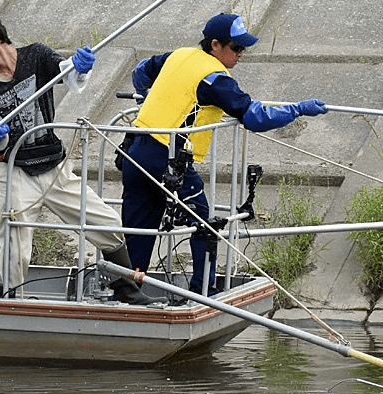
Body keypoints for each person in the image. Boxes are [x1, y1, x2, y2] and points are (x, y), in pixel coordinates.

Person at [0, 9, 162, 305]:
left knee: (108, 224)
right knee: (15, 250)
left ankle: (127, 288)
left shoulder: (36, 56)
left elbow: (68, 74)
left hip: (55, 168)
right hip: (17, 172)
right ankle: (4, 299)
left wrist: (81, 67)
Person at [122, 13, 328, 295]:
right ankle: (203, 293)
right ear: (215, 45)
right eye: (236, 48)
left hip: (135, 151)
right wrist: (298, 109)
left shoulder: (179, 55)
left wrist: (145, 94)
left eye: (244, 48)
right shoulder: (214, 79)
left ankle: (128, 292)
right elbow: (255, 117)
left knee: (139, 228)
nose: (241, 55)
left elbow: (140, 72)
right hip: (166, 158)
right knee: (204, 225)